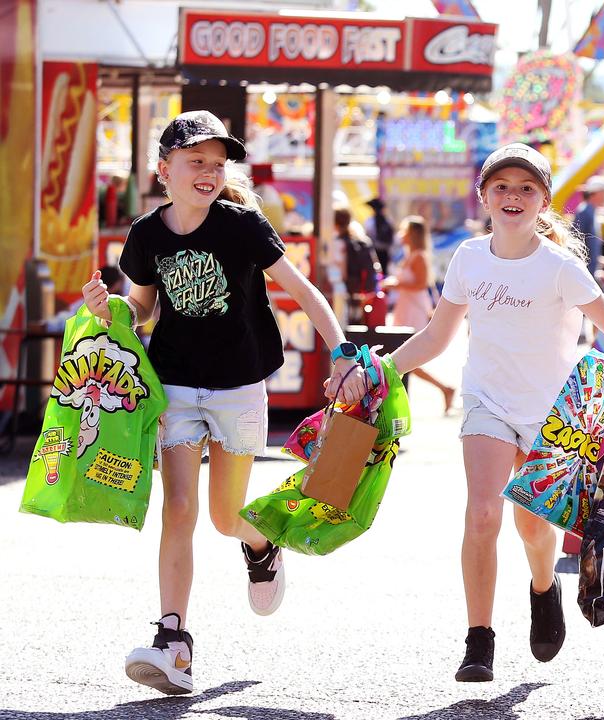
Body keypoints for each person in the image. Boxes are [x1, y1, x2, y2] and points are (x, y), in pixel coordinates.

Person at [81, 110, 365, 696]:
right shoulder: (146, 234)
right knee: (179, 508)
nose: (208, 172)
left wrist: (343, 353)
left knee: (222, 517)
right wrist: (110, 309)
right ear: (165, 170)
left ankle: (260, 544)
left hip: (239, 385)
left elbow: (303, 290)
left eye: (217, 163)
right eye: (195, 161)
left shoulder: (242, 225)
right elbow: (143, 309)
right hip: (175, 384)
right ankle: (172, 638)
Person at [384, 143, 604, 683]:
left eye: (526, 188)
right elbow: (439, 336)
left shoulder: (560, 267)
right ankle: (479, 640)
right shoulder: (468, 257)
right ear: (484, 196)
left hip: (551, 415)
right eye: (502, 187)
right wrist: (383, 370)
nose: (513, 196)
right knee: (482, 514)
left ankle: (543, 587)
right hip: (487, 402)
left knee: (534, 529)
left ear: (543, 201)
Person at [383, 214, 457, 413]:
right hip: (407, 306)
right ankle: (443, 390)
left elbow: (420, 283)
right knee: (402, 357)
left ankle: (444, 389)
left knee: (407, 357)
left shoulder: (419, 256)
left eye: (405, 231)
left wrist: (395, 284)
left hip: (414, 308)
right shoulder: (411, 255)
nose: (401, 235)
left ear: (412, 234)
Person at [334, 206, 382, 321]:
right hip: (360, 295)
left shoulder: (335, 243)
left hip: (340, 294)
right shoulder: (363, 242)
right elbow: (375, 268)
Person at [572, 175, 604, 277]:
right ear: (595, 193)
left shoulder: (590, 211)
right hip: (583, 275)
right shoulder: (584, 212)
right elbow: (576, 244)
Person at [364, 197, 395, 270]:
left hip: (374, 252)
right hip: (385, 252)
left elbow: (367, 236)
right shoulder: (388, 221)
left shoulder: (370, 221)